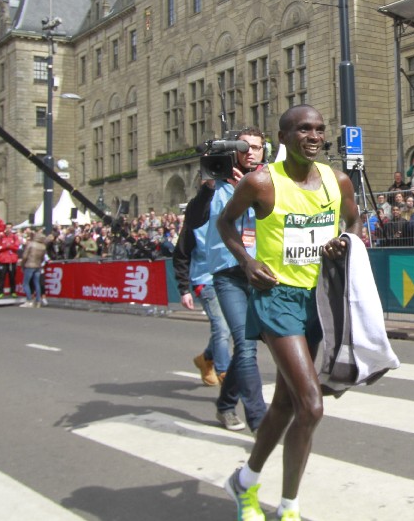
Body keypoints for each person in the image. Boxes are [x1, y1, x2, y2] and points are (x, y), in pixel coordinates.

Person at [217, 106, 359, 521]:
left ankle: (244, 481)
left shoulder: (338, 180)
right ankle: (289, 508)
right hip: (277, 298)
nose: (313, 136)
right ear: (283, 137)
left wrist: (344, 243)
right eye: (303, 129)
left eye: (319, 129)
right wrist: (247, 262)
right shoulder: (261, 182)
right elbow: (226, 224)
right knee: (311, 406)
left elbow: (354, 222)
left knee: (284, 404)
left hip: (320, 299)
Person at [175, 127, 269, 432]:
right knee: (245, 344)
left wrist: (250, 191)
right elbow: (194, 221)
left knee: (251, 346)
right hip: (228, 275)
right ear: (233, 151)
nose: (251, 152)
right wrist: (206, 187)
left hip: (262, 273)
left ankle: (226, 404)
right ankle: (259, 419)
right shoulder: (216, 185)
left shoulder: (268, 181)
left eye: (257, 147)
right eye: (244, 146)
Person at [19, 229, 49, 307]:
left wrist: (22, 264)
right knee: (37, 283)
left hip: (29, 265)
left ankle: (29, 300)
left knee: (26, 283)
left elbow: (25, 256)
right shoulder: (43, 246)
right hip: (38, 266)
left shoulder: (31, 244)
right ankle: (38, 301)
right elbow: (43, 258)